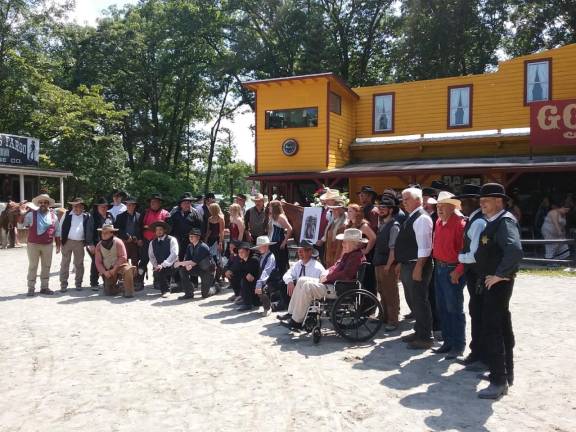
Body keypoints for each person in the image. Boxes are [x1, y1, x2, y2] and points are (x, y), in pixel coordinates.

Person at [474, 183, 523, 400]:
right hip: (492, 284)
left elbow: (514, 250)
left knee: (493, 329)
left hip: (497, 285)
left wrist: (501, 274)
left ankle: (498, 380)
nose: (482, 203)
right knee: (501, 326)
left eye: (486, 200)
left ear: (499, 201)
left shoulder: (504, 222)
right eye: (481, 200)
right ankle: (504, 373)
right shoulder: (494, 221)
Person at [281, 228, 366, 331]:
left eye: (345, 242)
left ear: (354, 243)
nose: (342, 244)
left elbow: (345, 275)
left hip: (339, 288)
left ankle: (296, 322)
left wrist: (328, 277)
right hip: (334, 284)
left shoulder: (356, 257)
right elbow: (335, 266)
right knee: (302, 280)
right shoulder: (348, 255)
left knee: (307, 287)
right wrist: (326, 272)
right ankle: (291, 313)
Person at [395, 187, 434, 350]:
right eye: (403, 200)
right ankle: (419, 331)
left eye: (407, 199)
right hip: (408, 264)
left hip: (416, 265)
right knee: (413, 301)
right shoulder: (413, 216)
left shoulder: (422, 218)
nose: (404, 203)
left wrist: (418, 268)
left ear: (418, 200)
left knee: (420, 301)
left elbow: (425, 248)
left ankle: (425, 337)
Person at [431, 191, 467, 359]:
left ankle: (458, 345)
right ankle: (448, 342)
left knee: (454, 308)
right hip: (439, 267)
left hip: (452, 269)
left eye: (443, 206)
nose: (439, 209)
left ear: (453, 207)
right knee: (443, 308)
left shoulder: (460, 224)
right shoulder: (438, 222)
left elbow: (465, 251)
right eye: (438, 206)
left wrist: (458, 271)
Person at [456, 184, 487, 366]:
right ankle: (477, 350)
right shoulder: (474, 219)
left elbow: (474, 254)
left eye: (465, 200)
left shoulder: (478, 222)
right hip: (473, 271)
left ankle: (479, 352)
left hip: (476, 271)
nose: (462, 204)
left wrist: (459, 257)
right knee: (475, 311)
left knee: (479, 311)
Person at [22, 194, 61, 296]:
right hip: (33, 244)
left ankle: (44, 287)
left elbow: (57, 231)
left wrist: (58, 245)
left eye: (45, 202)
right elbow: (23, 224)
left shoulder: (54, 216)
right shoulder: (31, 215)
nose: (43, 204)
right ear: (38, 204)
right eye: (41, 202)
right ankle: (31, 288)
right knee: (33, 266)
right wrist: (22, 214)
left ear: (48, 204)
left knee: (46, 266)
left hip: (47, 245)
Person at [277, 240, 326, 320]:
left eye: (302, 251)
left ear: (310, 252)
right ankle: (291, 312)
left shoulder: (317, 267)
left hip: (309, 292)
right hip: (298, 290)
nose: (299, 253)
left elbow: (317, 284)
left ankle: (301, 314)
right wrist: (290, 281)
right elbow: (287, 274)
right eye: (299, 251)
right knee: (283, 283)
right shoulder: (298, 264)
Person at [373, 195, 401, 331]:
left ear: (391, 210)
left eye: (384, 207)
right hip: (379, 264)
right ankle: (383, 317)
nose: (381, 209)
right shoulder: (383, 224)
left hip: (387, 265)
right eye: (380, 207)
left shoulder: (394, 226)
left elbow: (393, 249)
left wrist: (389, 265)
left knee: (391, 294)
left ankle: (393, 321)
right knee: (382, 292)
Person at [57, 197, 90, 292]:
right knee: (64, 263)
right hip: (67, 241)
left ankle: (78, 284)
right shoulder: (67, 214)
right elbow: (60, 228)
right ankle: (63, 284)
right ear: (72, 206)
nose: (77, 208)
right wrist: (60, 242)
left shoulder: (86, 216)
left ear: (83, 207)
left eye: (79, 206)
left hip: (80, 243)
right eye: (75, 206)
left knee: (79, 264)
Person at [94, 224, 135, 298]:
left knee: (128, 269)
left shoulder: (118, 242)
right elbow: (98, 262)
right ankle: (120, 287)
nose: (103, 234)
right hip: (108, 269)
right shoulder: (99, 246)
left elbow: (123, 257)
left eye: (106, 232)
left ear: (111, 233)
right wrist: (104, 272)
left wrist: (115, 268)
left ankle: (129, 291)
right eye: (102, 232)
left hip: (120, 266)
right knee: (108, 292)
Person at [138, 193, 170, 286]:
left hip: (160, 242)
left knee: (159, 261)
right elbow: (139, 226)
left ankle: (158, 281)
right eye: (152, 202)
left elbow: (168, 229)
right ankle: (139, 280)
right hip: (146, 240)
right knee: (143, 261)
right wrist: (140, 238)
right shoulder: (145, 212)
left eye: (155, 202)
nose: (153, 203)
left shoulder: (166, 214)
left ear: (160, 203)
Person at [176, 228, 214, 300]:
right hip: (197, 268)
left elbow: (193, 262)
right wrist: (187, 265)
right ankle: (189, 293)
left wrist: (180, 263)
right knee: (182, 270)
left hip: (207, 271)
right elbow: (187, 259)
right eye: (190, 236)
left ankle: (216, 287)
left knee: (205, 294)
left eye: (192, 236)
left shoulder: (203, 247)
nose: (190, 238)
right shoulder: (189, 246)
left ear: (198, 237)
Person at [85, 197, 114, 291]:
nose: (104, 208)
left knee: (107, 262)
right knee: (96, 263)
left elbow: (114, 229)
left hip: (108, 244)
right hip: (95, 244)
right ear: (97, 207)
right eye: (101, 206)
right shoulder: (92, 216)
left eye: (105, 206)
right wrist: (90, 244)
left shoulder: (110, 215)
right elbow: (88, 231)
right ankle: (94, 283)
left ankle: (107, 281)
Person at [115, 195, 143, 287]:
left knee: (135, 262)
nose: (130, 206)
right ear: (126, 205)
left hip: (135, 243)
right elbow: (117, 230)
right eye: (128, 205)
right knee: (123, 261)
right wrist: (126, 237)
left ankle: (135, 280)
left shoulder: (139, 216)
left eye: (132, 205)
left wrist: (139, 239)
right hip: (124, 243)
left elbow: (141, 229)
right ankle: (122, 280)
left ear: (135, 206)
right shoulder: (120, 217)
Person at [148, 220, 179, 298]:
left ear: (164, 230)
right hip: (160, 266)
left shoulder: (172, 239)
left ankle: (169, 289)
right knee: (159, 271)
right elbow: (151, 256)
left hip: (173, 265)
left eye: (160, 229)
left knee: (179, 285)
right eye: (157, 230)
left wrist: (164, 264)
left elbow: (174, 254)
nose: (159, 232)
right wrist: (156, 266)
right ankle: (166, 289)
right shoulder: (152, 242)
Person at [168, 193, 203, 262]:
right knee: (177, 259)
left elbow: (200, 228)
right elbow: (170, 228)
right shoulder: (175, 214)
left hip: (190, 242)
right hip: (177, 241)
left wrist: (196, 239)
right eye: (185, 203)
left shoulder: (196, 214)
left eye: (188, 203)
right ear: (180, 204)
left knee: (189, 260)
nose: (187, 205)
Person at [317, 196, 347, 268]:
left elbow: (340, 246)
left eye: (335, 209)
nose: (333, 211)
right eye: (333, 210)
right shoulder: (333, 222)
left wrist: (337, 260)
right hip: (329, 256)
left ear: (340, 211)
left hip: (336, 258)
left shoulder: (343, 226)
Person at [252, 235, 277, 316]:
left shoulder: (270, 257)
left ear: (266, 246)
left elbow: (266, 272)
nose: (259, 248)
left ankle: (268, 308)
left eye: (260, 246)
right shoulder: (262, 256)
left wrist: (259, 283)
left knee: (262, 289)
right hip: (265, 280)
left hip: (273, 281)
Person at [268, 200, 293, 274]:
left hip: (279, 243)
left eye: (270, 206)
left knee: (281, 264)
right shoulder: (272, 216)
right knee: (274, 263)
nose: (269, 207)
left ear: (274, 207)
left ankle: (283, 283)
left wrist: (284, 242)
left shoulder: (280, 217)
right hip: (272, 243)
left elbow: (290, 229)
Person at [235, 241, 260, 311]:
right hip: (252, 282)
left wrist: (245, 274)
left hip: (258, 284)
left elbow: (252, 276)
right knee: (240, 278)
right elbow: (239, 271)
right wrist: (245, 274)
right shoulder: (242, 260)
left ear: (248, 251)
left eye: (242, 252)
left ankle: (247, 304)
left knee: (245, 280)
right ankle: (244, 298)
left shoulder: (254, 260)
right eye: (239, 252)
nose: (240, 254)